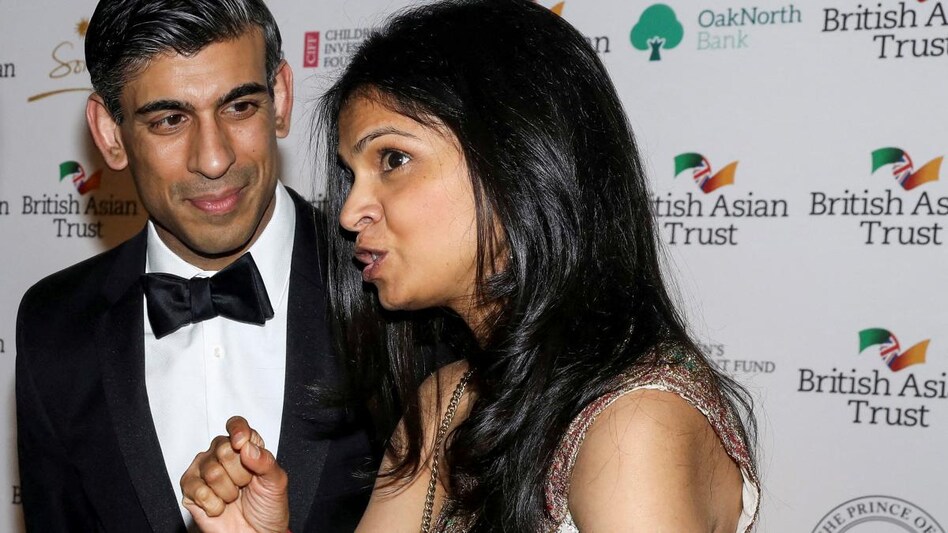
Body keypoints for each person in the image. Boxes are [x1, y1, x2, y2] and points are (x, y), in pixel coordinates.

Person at [181, 0, 760, 531]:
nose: (351, 212)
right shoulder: (445, 399)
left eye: (394, 159)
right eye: (352, 174)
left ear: (517, 160)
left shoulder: (633, 424)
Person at [15, 1, 382, 531]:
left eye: (239, 107)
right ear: (111, 134)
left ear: (280, 99)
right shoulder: (54, 325)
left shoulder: (388, 293)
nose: (213, 159)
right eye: (170, 120)